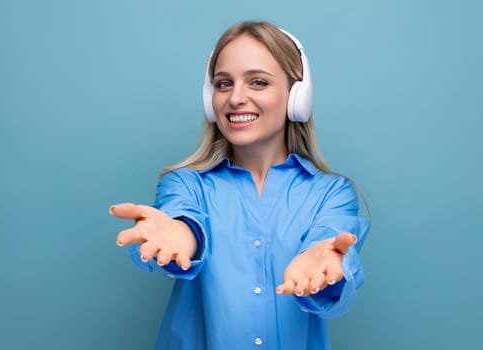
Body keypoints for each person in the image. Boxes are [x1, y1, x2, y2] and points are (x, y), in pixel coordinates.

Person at [110, 20, 370, 349]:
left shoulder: (332, 194)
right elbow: (182, 219)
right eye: (223, 84)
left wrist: (327, 265)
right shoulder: (186, 184)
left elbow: (329, 253)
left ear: (296, 97)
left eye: (258, 82)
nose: (235, 98)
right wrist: (180, 234)